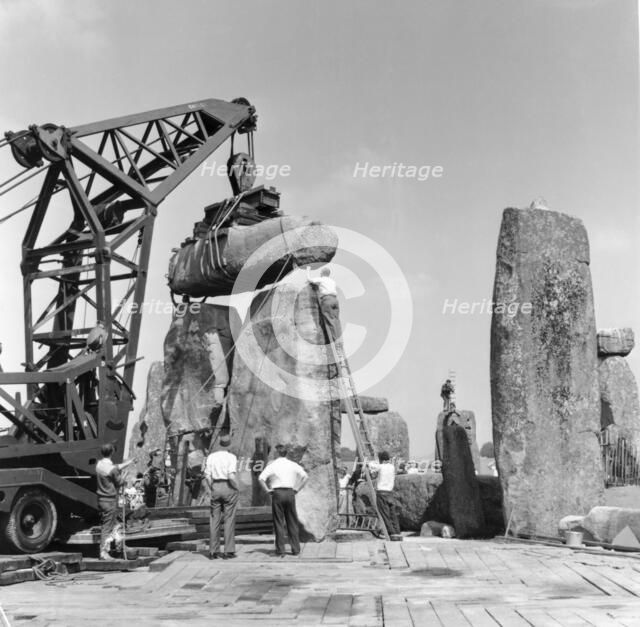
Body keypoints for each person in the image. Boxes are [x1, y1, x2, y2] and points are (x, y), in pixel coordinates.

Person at [259, 444, 308, 557]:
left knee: (279, 522)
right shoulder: (293, 464)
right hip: (290, 492)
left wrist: (267, 490)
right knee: (292, 521)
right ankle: (295, 549)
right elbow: (305, 477)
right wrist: (297, 489)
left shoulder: (273, 465)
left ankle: (280, 550)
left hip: (277, 493)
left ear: (277, 453)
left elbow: (261, 478)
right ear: (286, 453)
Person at [203, 433, 239, 559]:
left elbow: (207, 475)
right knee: (229, 519)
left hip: (215, 486)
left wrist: (212, 486)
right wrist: (236, 487)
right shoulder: (232, 457)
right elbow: (231, 476)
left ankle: (213, 551)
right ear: (230, 444)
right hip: (228, 486)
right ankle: (228, 550)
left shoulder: (211, 457)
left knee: (214, 520)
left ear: (219, 443)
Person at [96, 443, 133, 560]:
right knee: (107, 527)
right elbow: (119, 482)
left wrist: (128, 463)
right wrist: (126, 475)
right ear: (112, 453)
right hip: (110, 500)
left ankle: (119, 545)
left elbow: (114, 468)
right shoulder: (112, 470)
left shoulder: (99, 465)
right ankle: (103, 552)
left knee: (116, 525)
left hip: (101, 500)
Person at [369, 451, 402, 541]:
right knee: (393, 514)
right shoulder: (392, 467)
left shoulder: (381, 466)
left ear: (382, 460)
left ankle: (392, 533)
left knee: (385, 514)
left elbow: (371, 465)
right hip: (390, 493)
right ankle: (397, 532)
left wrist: (371, 462)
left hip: (381, 493)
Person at [307, 266, 342, 343]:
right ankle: (339, 340)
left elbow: (309, 279)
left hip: (327, 300)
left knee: (329, 321)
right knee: (336, 320)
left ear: (322, 273)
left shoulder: (322, 279)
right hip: (335, 300)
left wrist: (308, 270)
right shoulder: (332, 281)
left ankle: (334, 341)